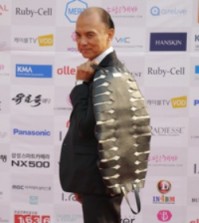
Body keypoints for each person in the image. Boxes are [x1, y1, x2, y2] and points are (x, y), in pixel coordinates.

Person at [59, 7, 135, 223]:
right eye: (78, 35)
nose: (82, 42)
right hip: (96, 178)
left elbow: (85, 126)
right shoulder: (102, 69)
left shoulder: (108, 73)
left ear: (109, 34)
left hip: (100, 179)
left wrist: (80, 84)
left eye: (90, 34)